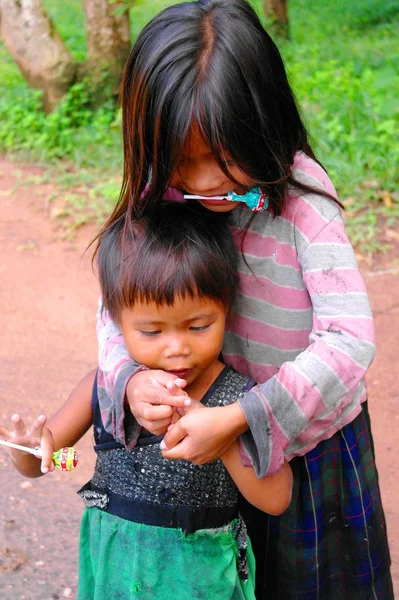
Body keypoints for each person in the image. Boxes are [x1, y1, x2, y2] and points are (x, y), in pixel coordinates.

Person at [93, 1, 394, 598]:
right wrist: (128, 380)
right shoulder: (162, 196)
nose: (205, 181)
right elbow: (114, 311)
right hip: (210, 456)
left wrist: (237, 421)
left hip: (309, 451)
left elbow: (350, 341)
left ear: (265, 121)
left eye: (224, 154)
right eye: (184, 158)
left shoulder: (303, 202)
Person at [1, 202, 293, 600]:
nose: (177, 349)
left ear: (226, 309)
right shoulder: (103, 388)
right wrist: (29, 450)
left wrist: (222, 436)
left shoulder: (238, 400)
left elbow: (276, 499)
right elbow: (45, 461)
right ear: (117, 324)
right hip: (114, 577)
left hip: (202, 582)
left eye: (198, 326)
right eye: (152, 331)